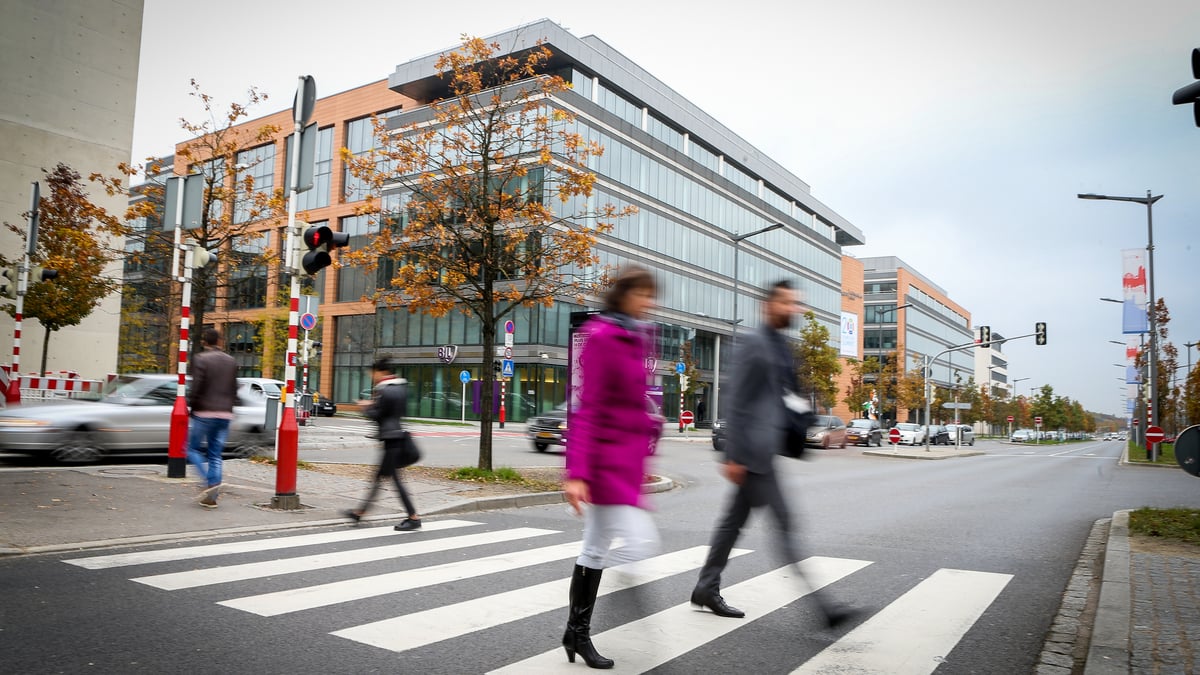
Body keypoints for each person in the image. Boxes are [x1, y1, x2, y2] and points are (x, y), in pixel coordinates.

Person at [690, 280, 855, 627]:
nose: (795, 309)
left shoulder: (782, 346)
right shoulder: (755, 344)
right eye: (788, 303)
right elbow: (736, 399)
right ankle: (825, 609)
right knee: (784, 524)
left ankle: (706, 587)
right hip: (751, 455)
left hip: (764, 452)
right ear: (769, 305)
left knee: (732, 525)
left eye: (797, 304)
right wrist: (732, 455)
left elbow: (784, 396)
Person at [561, 266, 663, 670]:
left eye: (651, 295)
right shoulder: (604, 337)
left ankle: (576, 633)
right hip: (605, 462)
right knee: (641, 544)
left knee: (595, 548)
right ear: (624, 295)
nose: (649, 301)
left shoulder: (637, 337)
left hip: (626, 461)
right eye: (642, 294)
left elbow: (634, 404)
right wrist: (576, 472)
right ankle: (597, 619)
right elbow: (587, 409)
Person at [344, 359, 422, 531]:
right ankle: (359, 513)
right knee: (379, 479)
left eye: (372, 373)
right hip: (396, 437)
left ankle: (413, 517)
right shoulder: (400, 388)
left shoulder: (385, 390)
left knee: (393, 480)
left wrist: (365, 407)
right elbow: (394, 412)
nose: (372, 377)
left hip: (391, 440)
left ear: (380, 372)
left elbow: (379, 415)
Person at [186, 328, 238, 509]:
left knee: (191, 449)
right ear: (220, 341)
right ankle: (212, 497)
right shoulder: (231, 361)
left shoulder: (201, 359)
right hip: (225, 414)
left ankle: (209, 482)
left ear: (204, 342)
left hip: (204, 412)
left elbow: (197, 386)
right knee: (215, 454)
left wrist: (191, 407)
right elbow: (234, 388)